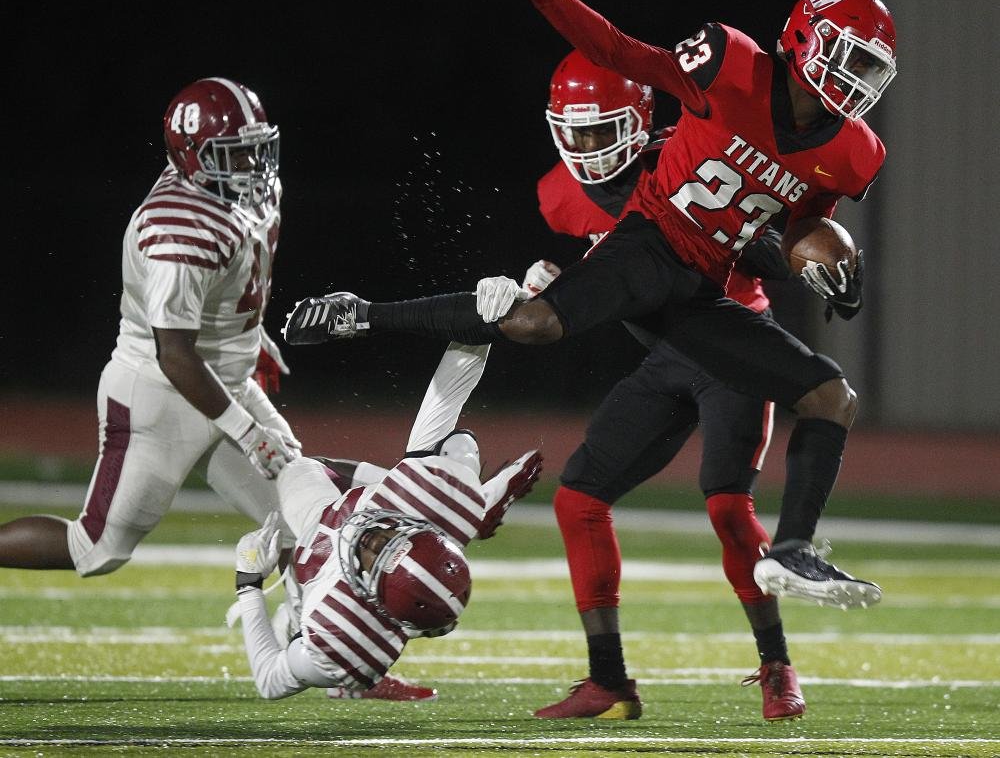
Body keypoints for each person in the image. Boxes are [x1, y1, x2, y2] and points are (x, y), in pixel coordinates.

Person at [285, 0, 892, 637]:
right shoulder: (732, 62)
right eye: (853, 57)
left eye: (872, 68)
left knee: (830, 396)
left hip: (704, 290)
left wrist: (834, 273)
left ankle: (794, 550)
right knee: (533, 322)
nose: (860, 80)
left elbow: (802, 227)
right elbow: (617, 48)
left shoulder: (855, 152)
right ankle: (364, 313)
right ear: (806, 40)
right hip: (651, 244)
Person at [471, 49, 808, 720]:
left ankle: (777, 665)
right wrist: (559, 286)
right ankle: (609, 680)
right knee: (578, 500)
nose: (591, 148)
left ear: (643, 119)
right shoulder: (561, 195)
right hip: (666, 359)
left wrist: (798, 250)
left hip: (736, 347)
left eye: (605, 130)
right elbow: (620, 267)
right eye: (578, 131)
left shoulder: (689, 155)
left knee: (726, 508)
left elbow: (763, 231)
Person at [0, 78, 300, 583]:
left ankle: (313, 652)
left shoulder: (245, 193)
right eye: (233, 155)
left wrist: (248, 334)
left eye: (254, 150)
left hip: (222, 384)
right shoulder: (178, 224)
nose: (252, 167)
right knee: (96, 549)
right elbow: (175, 353)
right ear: (192, 157)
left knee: (304, 519)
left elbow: (231, 284)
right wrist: (249, 434)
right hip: (160, 395)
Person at [230, 342, 543, 700]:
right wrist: (482, 323)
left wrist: (249, 580)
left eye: (375, 551)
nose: (369, 534)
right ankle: (472, 512)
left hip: (328, 604)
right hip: (424, 522)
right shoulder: (423, 507)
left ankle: (343, 681)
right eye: (388, 537)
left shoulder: (348, 637)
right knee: (456, 450)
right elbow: (452, 387)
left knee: (293, 626)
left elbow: (270, 681)